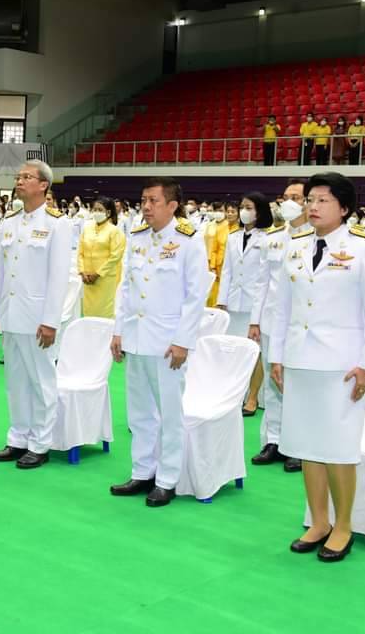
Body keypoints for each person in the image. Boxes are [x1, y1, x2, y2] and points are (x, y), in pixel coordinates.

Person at [270, 172, 365, 562]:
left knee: (338, 449)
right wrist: (277, 356)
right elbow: (282, 305)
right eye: (310, 200)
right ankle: (318, 521)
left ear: (345, 208)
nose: (313, 207)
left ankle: (344, 524)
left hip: (342, 365)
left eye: (322, 200)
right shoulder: (296, 245)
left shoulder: (364, 248)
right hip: (301, 360)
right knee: (307, 445)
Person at [110, 176, 208, 506]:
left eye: (153, 201)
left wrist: (183, 340)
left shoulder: (188, 240)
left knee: (169, 412)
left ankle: (167, 478)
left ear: (172, 205)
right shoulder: (137, 236)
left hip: (168, 342)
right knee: (139, 412)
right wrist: (118, 330)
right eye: (143, 200)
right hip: (136, 338)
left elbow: (196, 296)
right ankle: (142, 471)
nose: (146, 206)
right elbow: (125, 287)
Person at [0, 160, 71, 470]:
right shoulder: (9, 221)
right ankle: (18, 437)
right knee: (15, 380)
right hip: (11, 314)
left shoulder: (56, 223)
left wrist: (50, 320)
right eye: (18, 176)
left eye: (27, 177)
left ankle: (40, 443)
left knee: (42, 380)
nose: (19, 181)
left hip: (38, 317)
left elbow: (59, 277)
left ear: (43, 185)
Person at [249, 179, 311, 470]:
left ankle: (297, 444)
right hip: (272, 321)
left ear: (308, 202)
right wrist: (254, 320)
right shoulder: (272, 237)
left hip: (301, 325)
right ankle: (273, 440)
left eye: (296, 197)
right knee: (274, 386)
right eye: (286, 196)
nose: (289, 202)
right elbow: (262, 283)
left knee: (296, 385)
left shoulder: (316, 237)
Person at [217, 192, 273, 416]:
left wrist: (258, 314)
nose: (243, 211)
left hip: (255, 302)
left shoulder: (268, 238)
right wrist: (221, 301)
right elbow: (227, 270)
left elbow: (264, 277)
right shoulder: (233, 237)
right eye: (242, 207)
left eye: (248, 207)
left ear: (259, 211)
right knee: (233, 350)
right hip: (233, 301)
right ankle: (235, 394)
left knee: (255, 351)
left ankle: (252, 397)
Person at [77, 196, 125, 318]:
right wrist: (82, 272)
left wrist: (98, 273)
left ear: (108, 212)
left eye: (100, 209)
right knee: (88, 312)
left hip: (105, 279)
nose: (97, 212)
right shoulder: (87, 229)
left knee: (104, 313)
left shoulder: (115, 231)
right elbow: (80, 252)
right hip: (87, 278)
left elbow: (115, 256)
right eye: (95, 209)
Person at [206, 203, 237, 307]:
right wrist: (213, 266)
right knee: (214, 296)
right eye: (228, 212)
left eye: (233, 212)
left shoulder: (241, 230)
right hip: (219, 268)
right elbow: (214, 249)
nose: (229, 214)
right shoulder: (221, 228)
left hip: (234, 267)